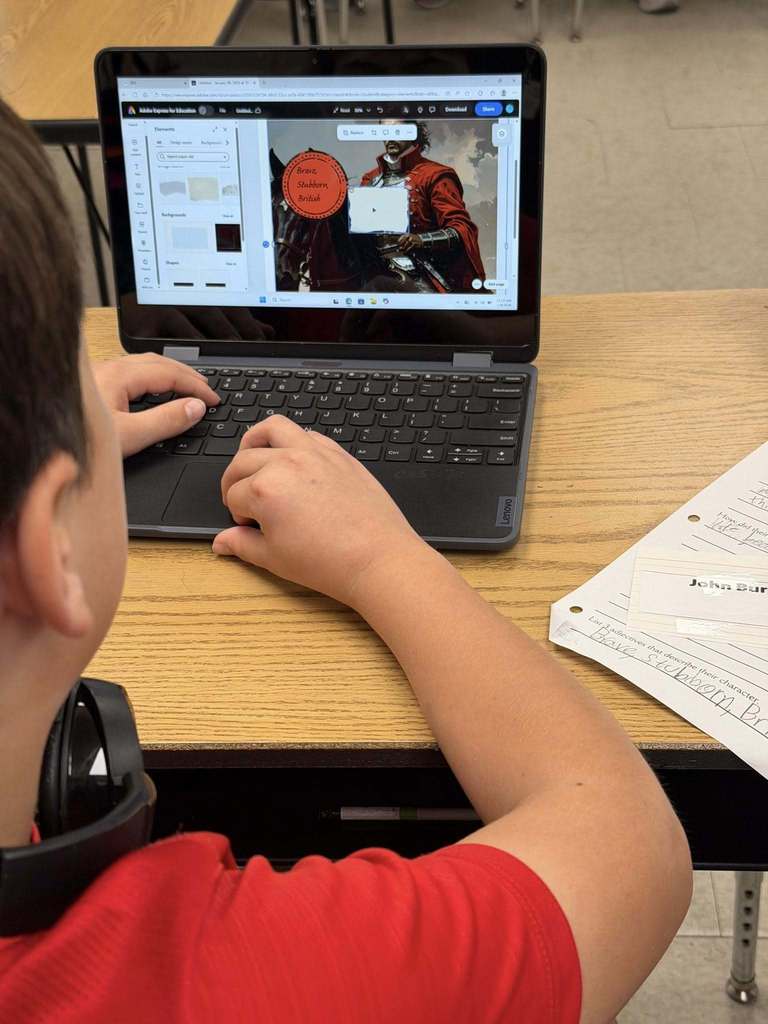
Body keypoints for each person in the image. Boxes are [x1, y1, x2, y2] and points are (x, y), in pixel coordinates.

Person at [0, 97, 691, 1023]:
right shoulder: (248, 979)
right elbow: (631, 845)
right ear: (46, 546)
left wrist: (47, 422)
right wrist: (377, 555)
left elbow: (454, 241)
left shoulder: (428, 184)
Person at [358, 122, 486, 293]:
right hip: (371, 267)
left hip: (419, 269)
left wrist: (421, 240)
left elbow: (460, 228)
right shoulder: (370, 179)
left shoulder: (435, 175)